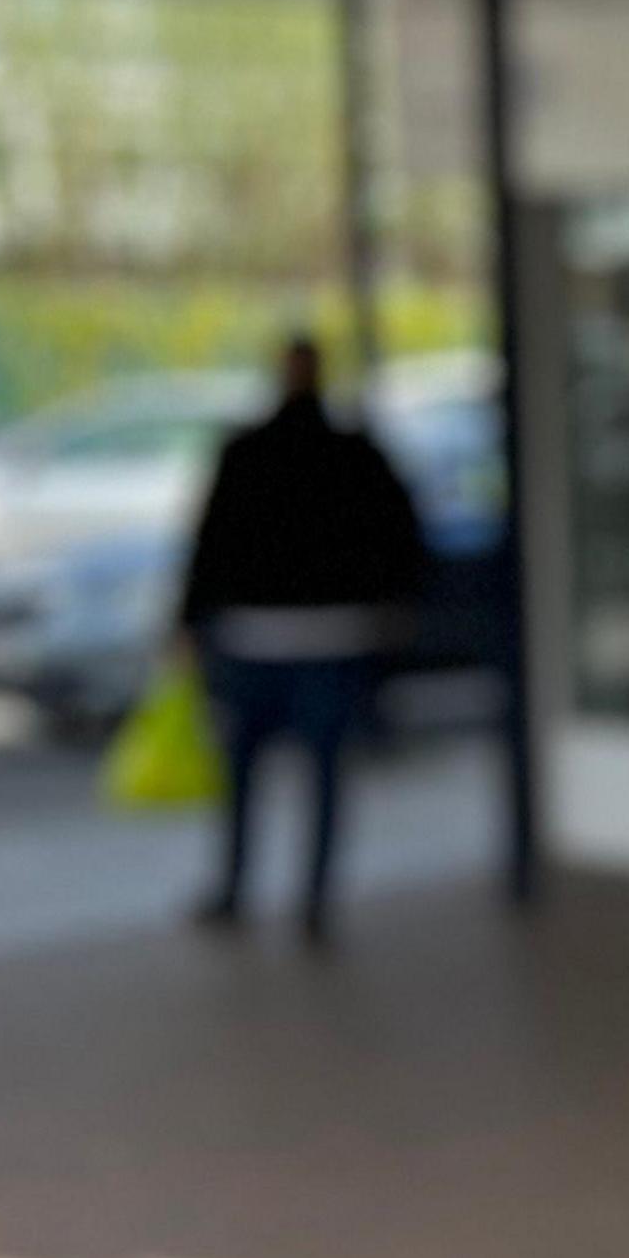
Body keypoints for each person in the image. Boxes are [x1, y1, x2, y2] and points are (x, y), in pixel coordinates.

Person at [176, 334, 432, 946]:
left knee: (247, 776)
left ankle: (240, 889)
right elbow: (405, 537)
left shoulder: (249, 451)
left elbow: (207, 544)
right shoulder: (354, 452)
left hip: (258, 641)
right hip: (328, 639)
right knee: (320, 775)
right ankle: (311, 902)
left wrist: (189, 621)